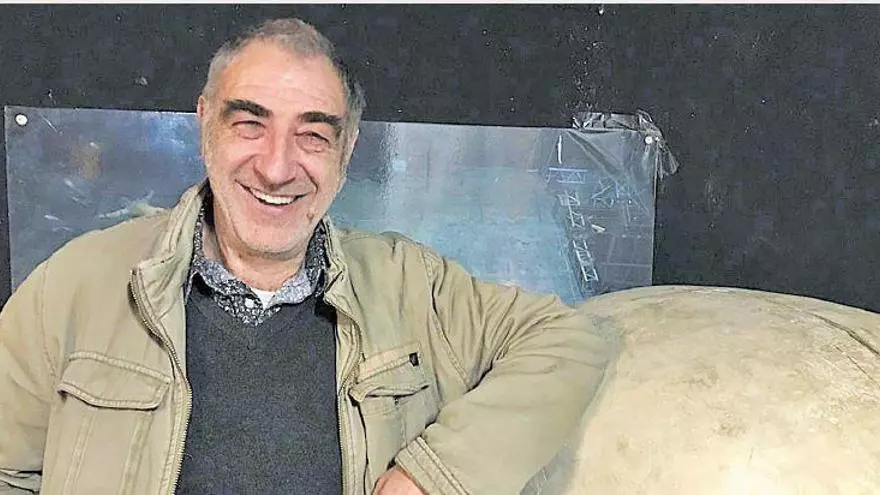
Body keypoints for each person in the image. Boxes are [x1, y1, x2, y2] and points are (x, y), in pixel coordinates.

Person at [0, 18, 612, 495]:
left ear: (348, 150)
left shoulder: (413, 285)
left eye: (313, 135)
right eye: (250, 124)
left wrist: (438, 473)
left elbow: (568, 339)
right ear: (204, 123)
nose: (277, 167)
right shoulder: (73, 286)